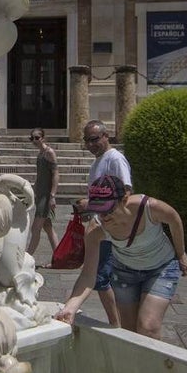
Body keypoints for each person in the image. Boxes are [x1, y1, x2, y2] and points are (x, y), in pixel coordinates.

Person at [55, 175, 187, 339]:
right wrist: (71, 307)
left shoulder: (148, 207)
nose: (104, 217)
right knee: (130, 332)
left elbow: (174, 219)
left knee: (148, 327)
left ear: (124, 199)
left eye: (109, 210)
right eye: (98, 211)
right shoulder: (96, 229)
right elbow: (88, 275)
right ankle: (134, 364)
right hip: (125, 271)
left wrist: (181, 253)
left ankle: (151, 364)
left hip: (161, 267)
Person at [76, 119, 133, 325]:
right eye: (87, 141)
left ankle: (116, 325)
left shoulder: (115, 159)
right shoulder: (98, 161)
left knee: (100, 277)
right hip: (99, 227)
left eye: (94, 139)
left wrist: (90, 203)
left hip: (110, 229)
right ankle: (116, 323)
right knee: (100, 277)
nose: (90, 144)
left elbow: (126, 193)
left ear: (106, 136)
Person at [26, 128, 59, 259]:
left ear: (43, 138)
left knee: (35, 228)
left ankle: (27, 257)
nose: (34, 141)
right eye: (32, 138)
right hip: (40, 195)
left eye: (37, 138)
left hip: (46, 197)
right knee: (48, 228)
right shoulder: (40, 154)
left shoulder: (49, 152)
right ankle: (59, 258)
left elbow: (56, 174)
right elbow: (40, 176)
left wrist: (52, 196)